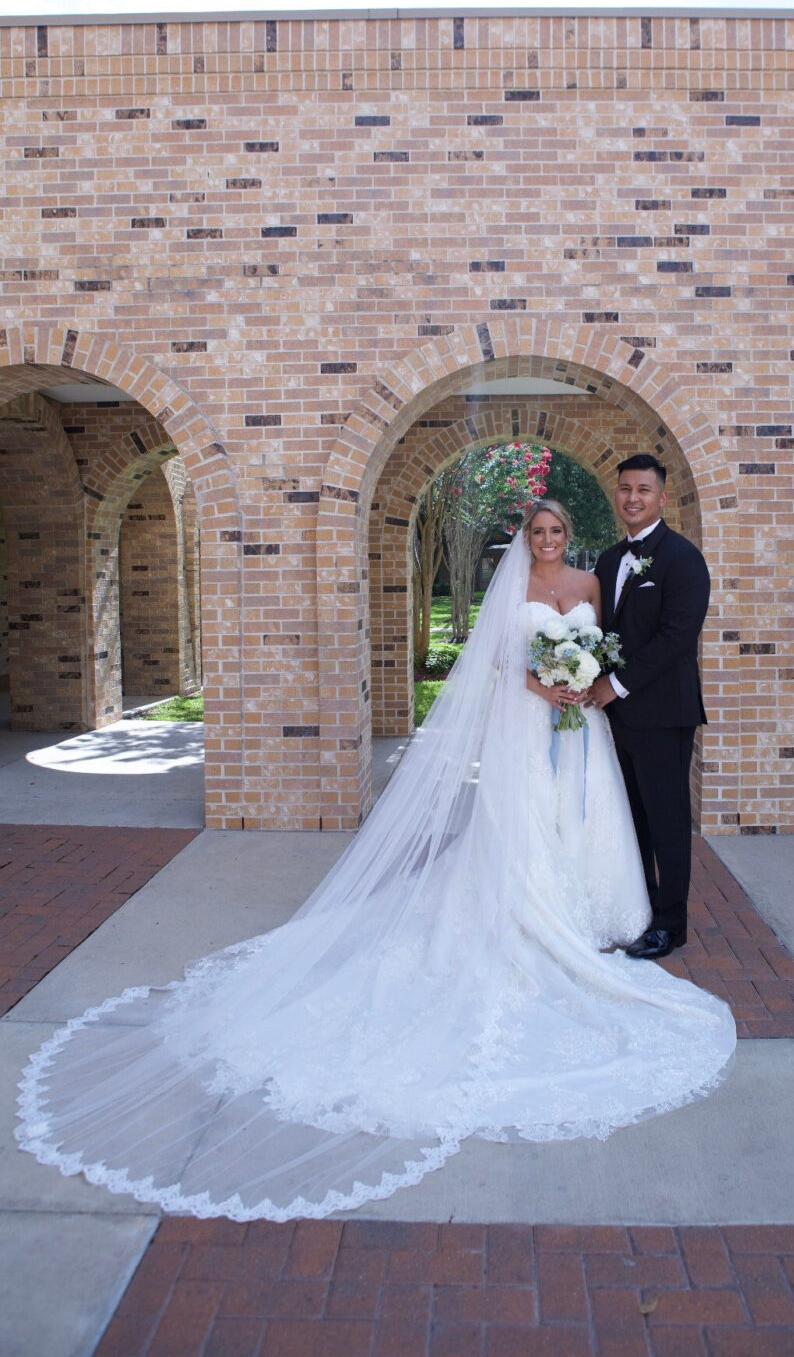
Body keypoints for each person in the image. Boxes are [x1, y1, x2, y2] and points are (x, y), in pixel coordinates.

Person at [17, 500, 734, 1222]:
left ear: (569, 536)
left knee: (589, 817)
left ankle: (604, 907)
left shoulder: (592, 583)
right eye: (537, 532)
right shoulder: (509, 589)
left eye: (555, 531)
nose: (547, 540)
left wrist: (585, 681)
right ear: (526, 539)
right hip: (527, 722)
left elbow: (615, 644)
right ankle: (527, 908)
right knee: (525, 823)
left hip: (581, 728)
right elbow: (493, 660)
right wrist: (544, 684)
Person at [589, 456, 711, 960]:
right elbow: (602, 629)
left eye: (643, 489)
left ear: (662, 497)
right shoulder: (609, 559)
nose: (632, 498)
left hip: (663, 714)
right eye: (624, 489)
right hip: (614, 718)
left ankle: (670, 923)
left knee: (666, 821)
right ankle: (639, 908)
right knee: (630, 817)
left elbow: (677, 638)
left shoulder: (682, 558)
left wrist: (615, 683)